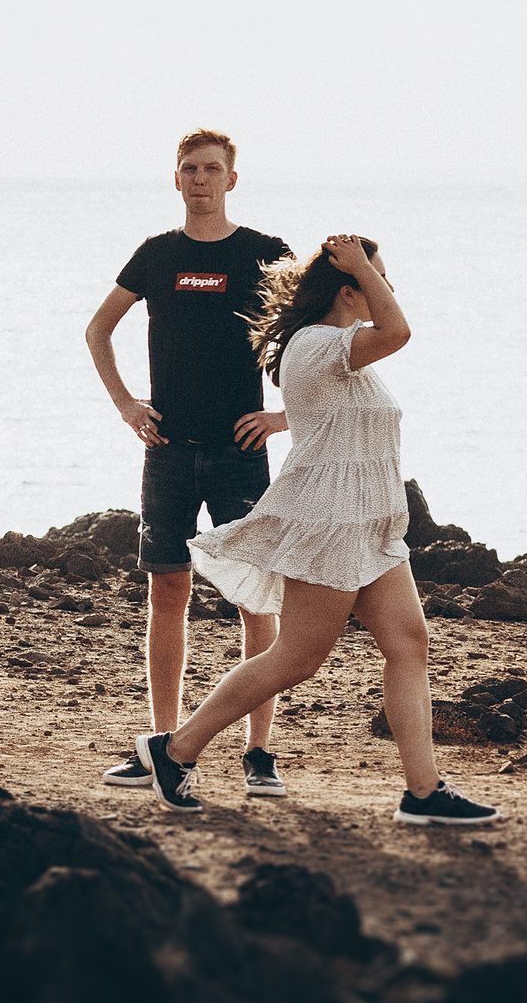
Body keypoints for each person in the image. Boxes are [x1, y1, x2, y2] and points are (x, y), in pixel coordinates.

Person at [133, 234, 501, 826]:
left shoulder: (344, 351)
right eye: (376, 277)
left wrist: (361, 270)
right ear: (348, 288)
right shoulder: (317, 344)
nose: (387, 287)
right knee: (297, 658)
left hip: (372, 527)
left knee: (409, 643)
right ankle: (174, 751)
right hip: (329, 524)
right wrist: (358, 263)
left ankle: (423, 792)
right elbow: (399, 331)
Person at [84, 129, 293, 798]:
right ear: (176, 179)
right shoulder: (157, 255)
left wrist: (285, 416)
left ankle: (259, 752)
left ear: (231, 179)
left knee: (254, 598)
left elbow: (324, 336)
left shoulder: (265, 253)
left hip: (241, 452)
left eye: (211, 169)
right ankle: (163, 746)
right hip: (169, 451)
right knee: (166, 592)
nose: (200, 178)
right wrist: (126, 405)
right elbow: (97, 329)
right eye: (189, 169)